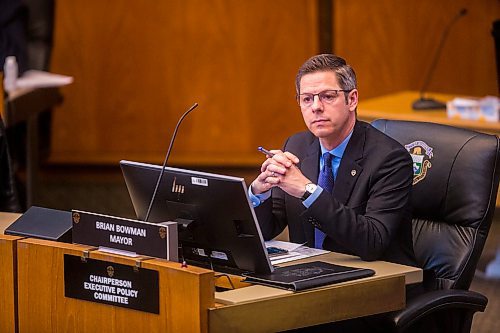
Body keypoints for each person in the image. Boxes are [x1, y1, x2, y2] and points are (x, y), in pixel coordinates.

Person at [249, 54, 416, 268]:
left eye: (328, 96)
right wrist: (260, 193)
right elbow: (267, 230)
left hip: (375, 281)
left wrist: (307, 190)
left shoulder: (389, 159)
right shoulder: (296, 145)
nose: (316, 107)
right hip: (311, 274)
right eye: (307, 99)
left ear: (352, 99)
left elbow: (373, 242)